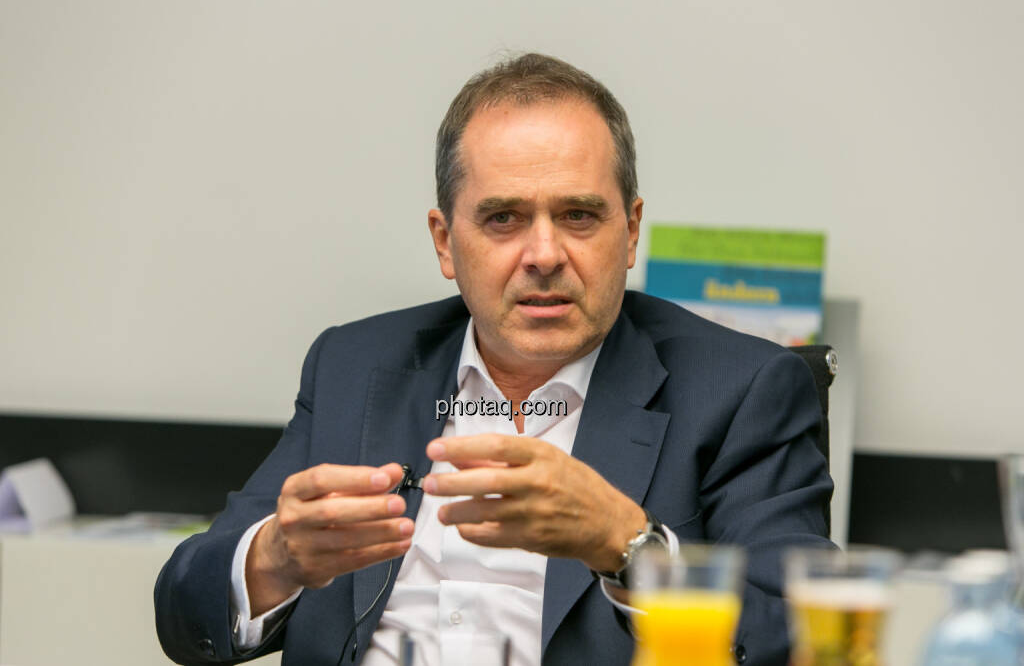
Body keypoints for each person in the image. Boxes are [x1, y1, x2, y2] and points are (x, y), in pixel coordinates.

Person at [154, 52, 833, 666]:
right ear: (445, 242)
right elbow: (184, 610)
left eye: (579, 215)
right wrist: (274, 557)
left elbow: (799, 636)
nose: (544, 255)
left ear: (630, 231)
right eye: (503, 218)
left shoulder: (739, 390)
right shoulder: (355, 365)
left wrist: (628, 545)